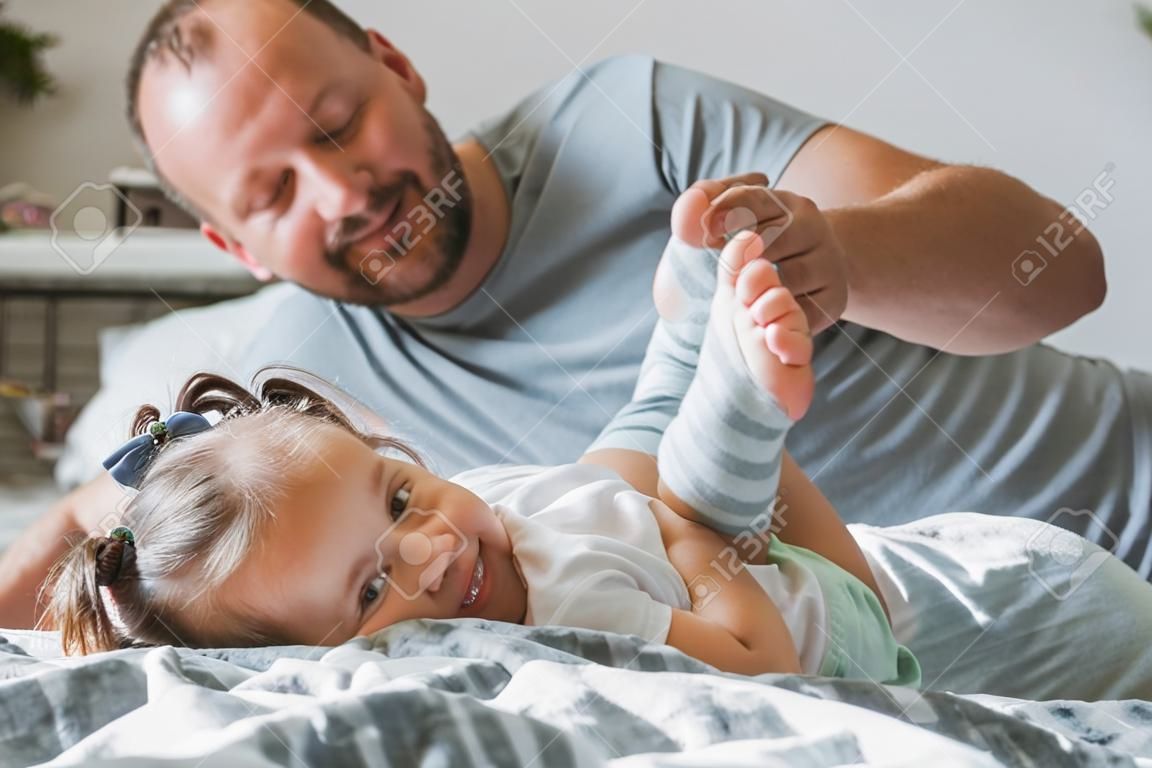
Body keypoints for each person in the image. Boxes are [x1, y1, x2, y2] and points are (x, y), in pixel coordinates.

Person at [3, 0, 1148, 700]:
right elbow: (109, 539)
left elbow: (1063, 271)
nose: (345, 188)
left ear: (399, 67)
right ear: (229, 241)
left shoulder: (632, 126)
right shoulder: (298, 399)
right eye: (273, 191)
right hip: (915, 629)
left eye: (340, 122)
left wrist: (836, 259)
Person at [48, 230, 923, 689]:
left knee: (616, 481)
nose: (433, 546)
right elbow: (765, 667)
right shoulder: (570, 618)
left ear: (385, 453)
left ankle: (686, 338)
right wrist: (693, 544)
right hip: (848, 644)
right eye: (367, 591)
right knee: (692, 493)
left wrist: (655, 524)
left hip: (711, 554)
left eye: (396, 500)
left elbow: (594, 500)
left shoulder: (473, 506)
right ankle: (737, 406)